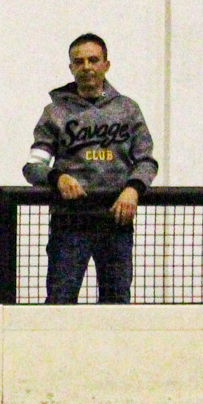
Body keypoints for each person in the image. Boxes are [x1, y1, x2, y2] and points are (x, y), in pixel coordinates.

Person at [23, 33, 157, 305]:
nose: (86, 66)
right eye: (79, 61)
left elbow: (146, 160)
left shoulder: (128, 110)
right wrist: (57, 177)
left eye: (93, 60)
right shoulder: (55, 113)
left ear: (106, 64)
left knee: (117, 302)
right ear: (71, 68)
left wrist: (133, 189)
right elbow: (33, 166)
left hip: (116, 221)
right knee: (60, 302)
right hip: (70, 222)